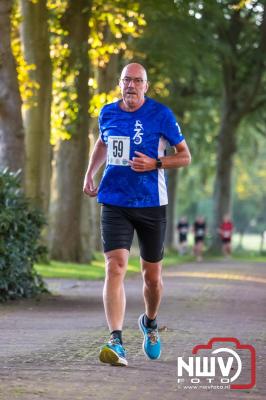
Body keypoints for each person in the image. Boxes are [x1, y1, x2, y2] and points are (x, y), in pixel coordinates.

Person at [83, 62, 191, 367]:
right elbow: (103, 142)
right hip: (114, 200)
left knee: (152, 278)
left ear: (146, 85)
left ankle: (150, 322)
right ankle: (115, 340)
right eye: (126, 80)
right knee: (115, 267)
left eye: (137, 81)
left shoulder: (162, 115)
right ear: (120, 84)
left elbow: (185, 156)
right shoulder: (108, 112)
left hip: (151, 203)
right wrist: (90, 172)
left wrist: (156, 164)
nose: (131, 85)